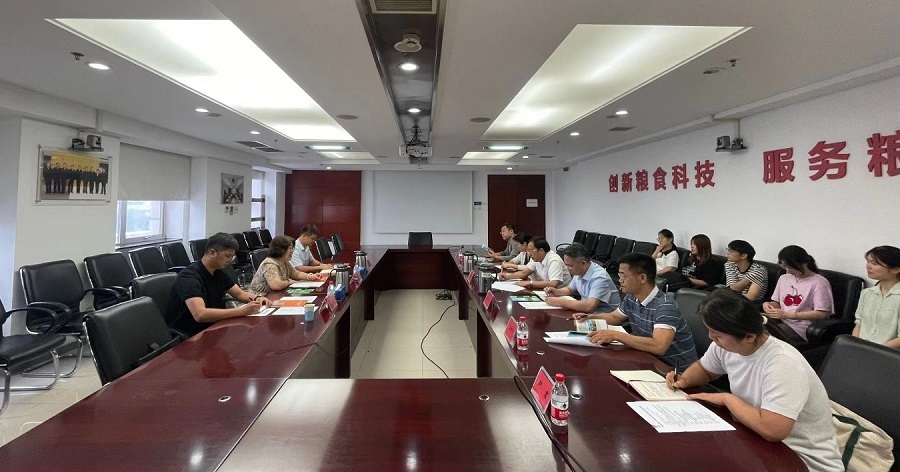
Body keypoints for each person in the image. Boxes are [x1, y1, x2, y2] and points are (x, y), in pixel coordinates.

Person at [667, 289, 844, 472]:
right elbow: (705, 370)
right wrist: (684, 379)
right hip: (756, 441)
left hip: (802, 460)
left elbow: (773, 430)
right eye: (710, 332)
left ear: (749, 337)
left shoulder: (783, 364)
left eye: (717, 335)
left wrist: (728, 399)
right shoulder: (727, 346)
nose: (711, 338)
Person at [576, 253, 697, 367]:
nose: (620, 280)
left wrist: (616, 335)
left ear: (642, 278)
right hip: (646, 358)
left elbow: (659, 346)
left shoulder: (665, 306)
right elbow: (614, 317)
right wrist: (590, 317)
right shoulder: (632, 298)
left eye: (623, 275)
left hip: (674, 370)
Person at [166, 232, 269, 337]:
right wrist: (241, 311)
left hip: (213, 325)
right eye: (227, 256)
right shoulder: (189, 277)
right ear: (212, 253)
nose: (230, 261)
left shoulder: (218, 272)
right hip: (191, 334)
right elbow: (200, 314)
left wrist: (258, 298)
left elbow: (239, 294)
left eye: (232, 257)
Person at [762, 246, 833, 340]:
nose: (787, 271)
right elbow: (778, 303)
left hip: (800, 327)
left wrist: (788, 315)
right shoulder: (784, 278)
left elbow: (822, 314)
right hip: (781, 319)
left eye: (790, 267)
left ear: (804, 263)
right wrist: (768, 305)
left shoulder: (819, 282)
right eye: (784, 267)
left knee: (763, 335)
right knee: (751, 323)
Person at [545, 242, 620, 313]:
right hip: (588, 313)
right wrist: (556, 291)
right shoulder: (579, 271)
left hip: (606, 316)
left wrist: (560, 302)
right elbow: (570, 290)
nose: (568, 268)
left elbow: (589, 306)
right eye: (566, 265)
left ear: (583, 263)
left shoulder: (599, 277)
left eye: (570, 265)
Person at [854, 245, 900, 348]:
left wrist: (875, 351)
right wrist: (855, 345)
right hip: (862, 349)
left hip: (888, 352)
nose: (868, 266)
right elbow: (859, 324)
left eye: (874, 263)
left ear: (896, 270)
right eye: (868, 262)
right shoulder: (866, 293)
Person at [248, 235, 326, 295]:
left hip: (275, 295)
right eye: (290, 248)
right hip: (261, 299)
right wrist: (289, 282)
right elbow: (276, 285)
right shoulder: (269, 264)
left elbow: (296, 274)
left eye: (292, 248)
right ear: (281, 249)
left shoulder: (284, 261)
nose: (292, 251)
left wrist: (309, 277)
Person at [498, 237, 571, 290]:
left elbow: (553, 284)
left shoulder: (554, 260)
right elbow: (524, 273)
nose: (529, 254)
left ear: (541, 250)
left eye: (531, 251)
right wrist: (507, 277)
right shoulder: (536, 258)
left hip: (562, 294)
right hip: (547, 291)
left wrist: (530, 283)